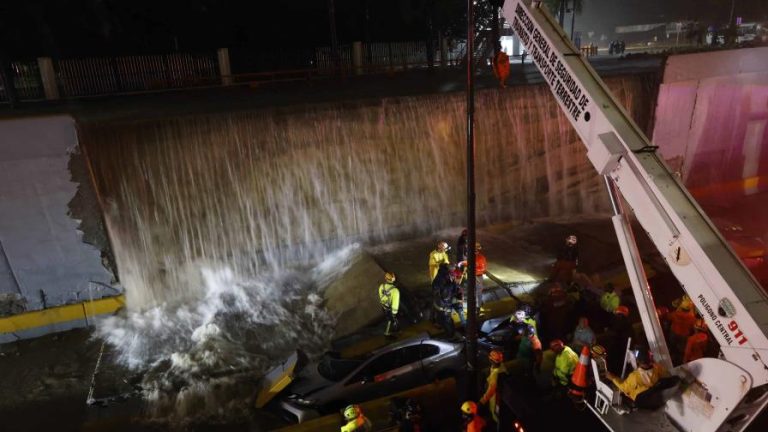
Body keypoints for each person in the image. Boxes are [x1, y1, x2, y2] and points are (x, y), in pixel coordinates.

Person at [480, 350, 507, 424]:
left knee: (494, 412)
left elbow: (491, 390)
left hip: (495, 397)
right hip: (499, 395)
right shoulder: (500, 366)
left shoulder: (495, 374)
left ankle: (496, 424)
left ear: (491, 360)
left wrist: (482, 401)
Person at [379, 272, 400, 338]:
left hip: (384, 306)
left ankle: (389, 330)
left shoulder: (381, 286)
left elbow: (381, 295)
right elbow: (395, 304)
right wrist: (394, 313)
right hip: (390, 309)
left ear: (385, 279)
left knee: (388, 318)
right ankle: (387, 333)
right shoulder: (395, 291)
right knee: (390, 320)